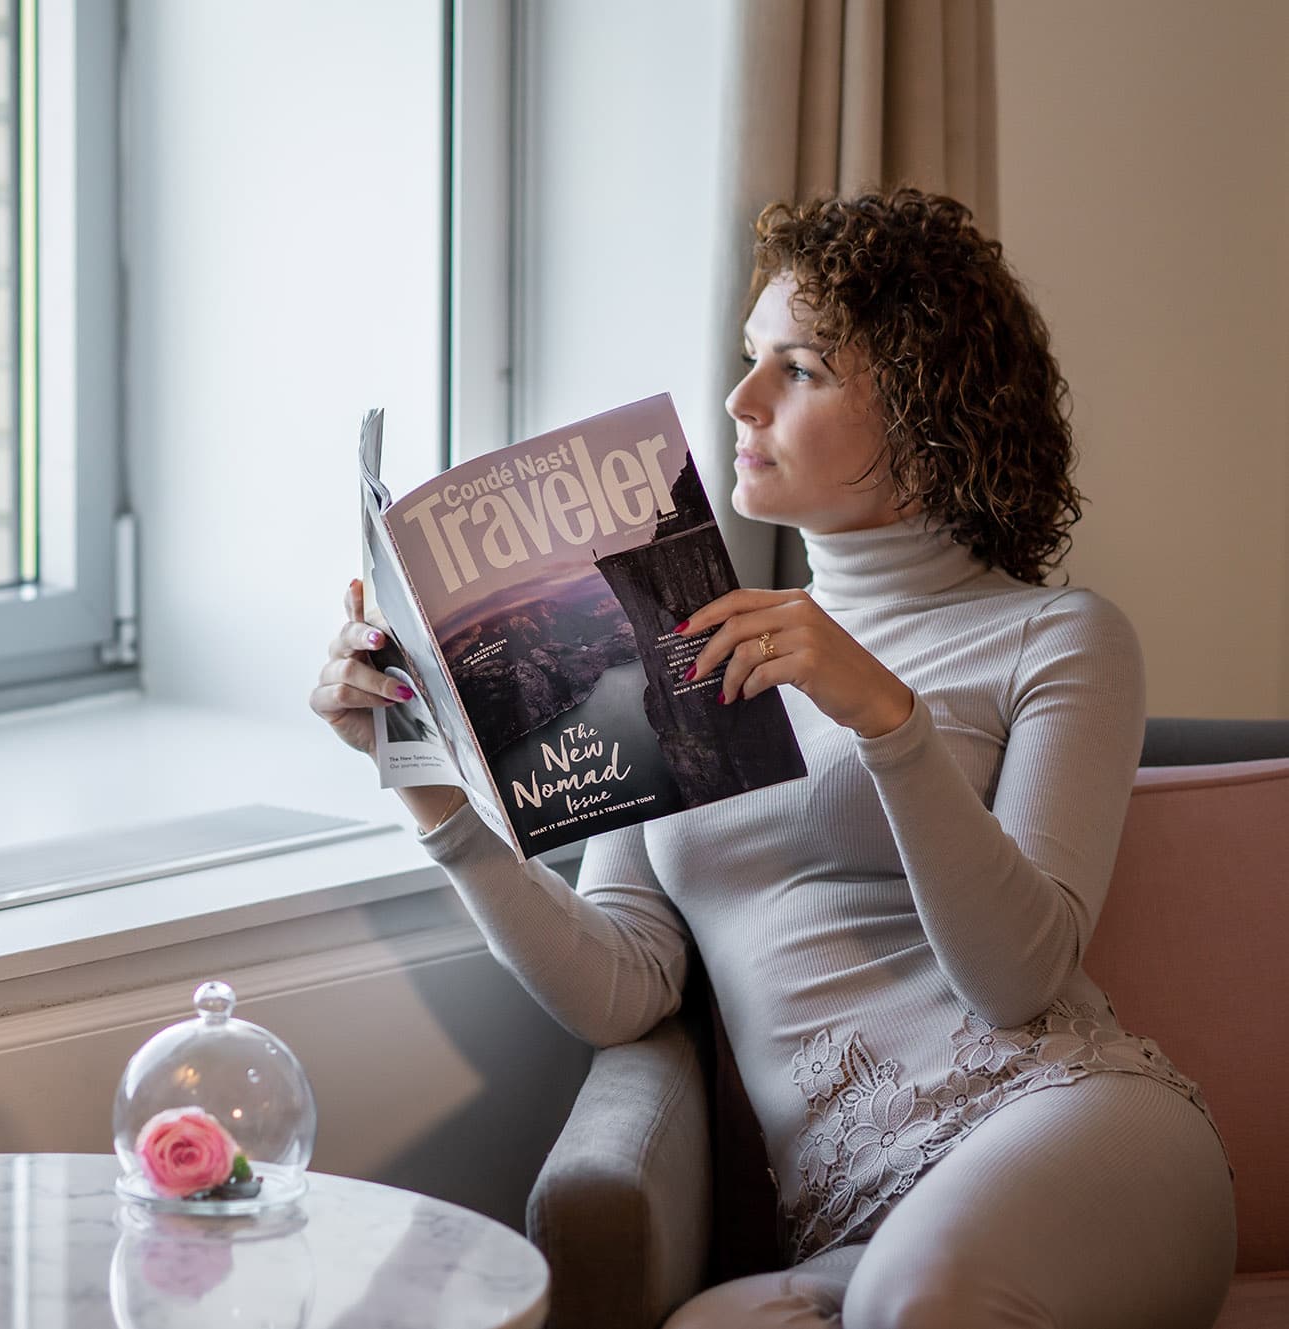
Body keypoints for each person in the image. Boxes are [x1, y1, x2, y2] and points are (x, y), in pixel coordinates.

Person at [309, 188, 1235, 1327]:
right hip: (864, 1223)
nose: (740, 401)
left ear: (922, 406)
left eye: (798, 369)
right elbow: (623, 987)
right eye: (751, 361)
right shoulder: (677, 653)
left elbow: (1020, 976)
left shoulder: (1056, 637)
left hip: (1070, 1135)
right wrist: (431, 793)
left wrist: (886, 722)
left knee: (923, 1298)